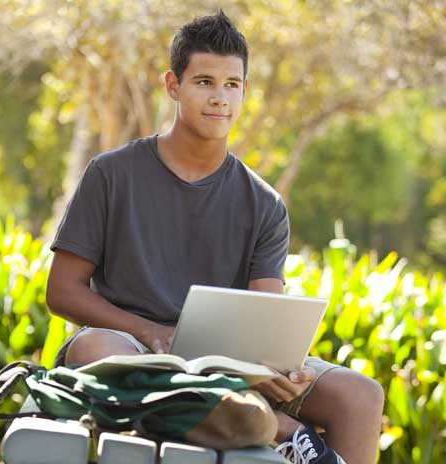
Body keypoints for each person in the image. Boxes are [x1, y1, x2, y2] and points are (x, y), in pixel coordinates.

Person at [46, 10, 384, 464]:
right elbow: (61, 291)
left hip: (226, 361)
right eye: (204, 82)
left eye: (231, 85)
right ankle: (277, 427)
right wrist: (152, 331)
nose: (220, 98)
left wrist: (275, 369)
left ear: (244, 91)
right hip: (134, 346)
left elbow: (266, 319)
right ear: (173, 86)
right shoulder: (111, 174)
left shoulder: (264, 204)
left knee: (360, 396)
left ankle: (249, 410)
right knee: (95, 350)